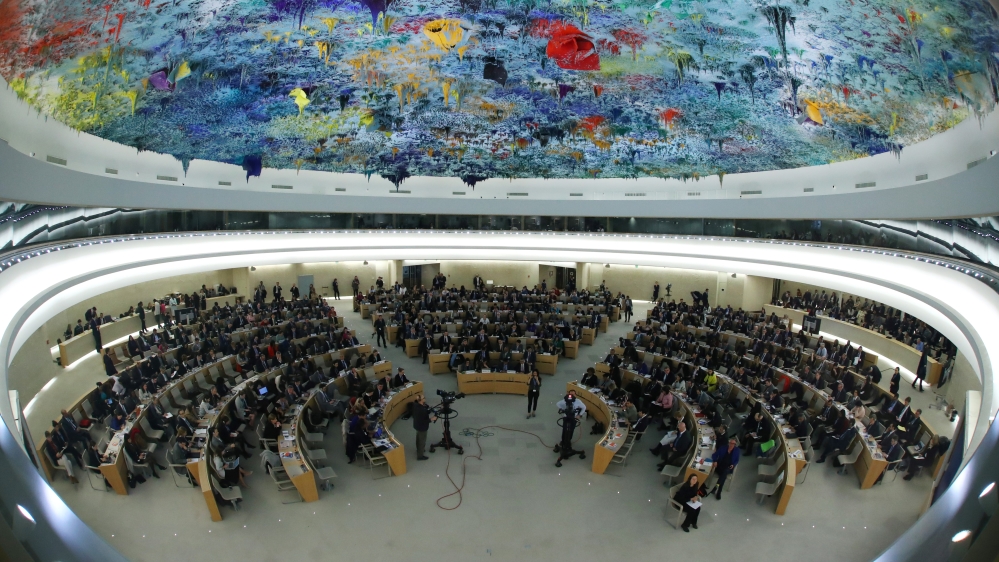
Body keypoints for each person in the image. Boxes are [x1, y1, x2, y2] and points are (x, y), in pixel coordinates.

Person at [412, 394, 436, 460]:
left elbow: (423, 413)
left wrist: (427, 410)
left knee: (418, 439)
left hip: (417, 425)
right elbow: (423, 421)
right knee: (422, 441)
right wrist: (432, 419)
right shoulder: (421, 410)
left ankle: (418, 450)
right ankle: (420, 456)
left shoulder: (416, 405)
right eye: (423, 398)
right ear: (421, 400)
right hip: (422, 427)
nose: (425, 398)